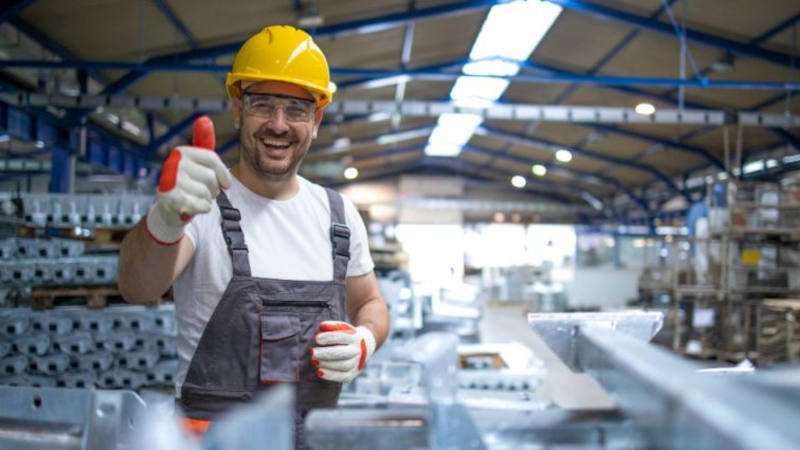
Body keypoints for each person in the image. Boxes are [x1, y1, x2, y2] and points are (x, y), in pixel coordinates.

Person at [117, 25, 389, 449]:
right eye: (263, 104)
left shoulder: (339, 216)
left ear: (316, 121)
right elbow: (136, 287)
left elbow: (370, 302)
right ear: (238, 109)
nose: (279, 125)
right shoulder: (200, 201)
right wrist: (167, 219)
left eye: (296, 110)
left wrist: (365, 340)